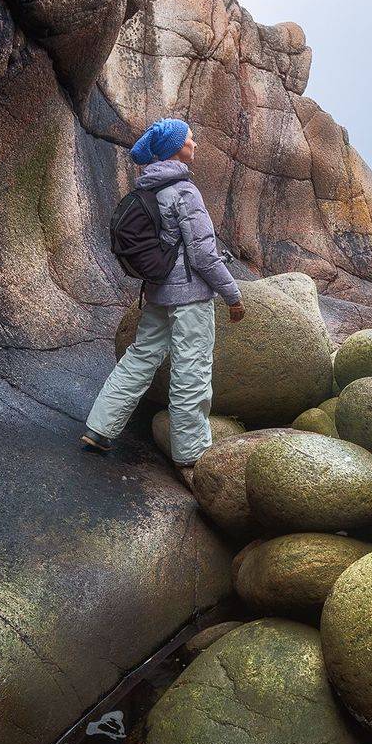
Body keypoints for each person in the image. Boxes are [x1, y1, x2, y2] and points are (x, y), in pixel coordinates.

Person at [81, 119, 245, 477]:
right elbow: (203, 255)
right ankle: (192, 455)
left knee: (139, 358)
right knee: (192, 370)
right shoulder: (185, 191)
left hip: (156, 293)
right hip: (189, 299)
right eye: (190, 139)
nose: (195, 144)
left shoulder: (151, 188)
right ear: (176, 148)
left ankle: (99, 428)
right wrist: (232, 294)